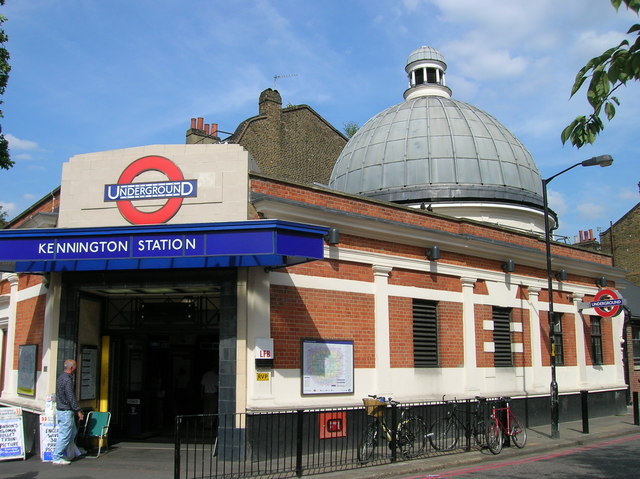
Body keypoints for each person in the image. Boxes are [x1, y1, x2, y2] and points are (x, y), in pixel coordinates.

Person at [52, 359, 84, 465]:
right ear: (72, 367)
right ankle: (57, 457)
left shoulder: (60, 377)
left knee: (72, 432)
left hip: (61, 409)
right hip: (66, 411)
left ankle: (72, 452)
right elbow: (70, 397)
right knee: (65, 435)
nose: (76, 368)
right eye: (75, 366)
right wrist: (78, 410)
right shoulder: (68, 380)